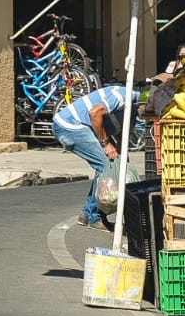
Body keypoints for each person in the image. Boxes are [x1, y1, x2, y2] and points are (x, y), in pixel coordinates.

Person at [51, 85, 129, 229]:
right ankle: (95, 216)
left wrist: (120, 155)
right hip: (70, 126)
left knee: (108, 164)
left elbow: (121, 133)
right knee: (105, 166)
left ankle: (87, 214)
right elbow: (95, 114)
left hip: (74, 125)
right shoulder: (124, 96)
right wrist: (106, 144)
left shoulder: (132, 110)